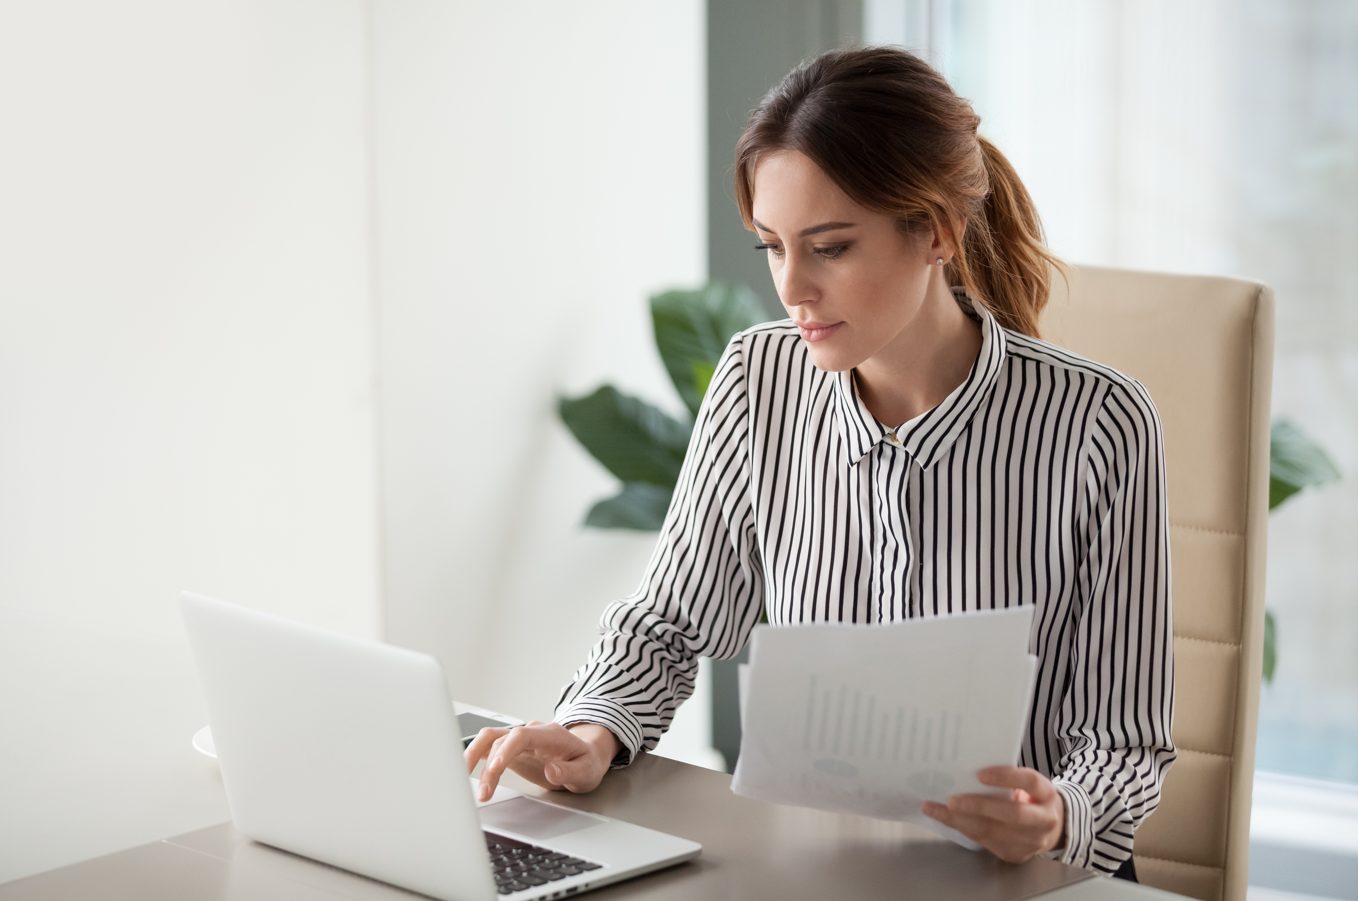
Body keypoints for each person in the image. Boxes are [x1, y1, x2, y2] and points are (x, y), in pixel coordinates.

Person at [465, 45, 1175, 883]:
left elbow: (1123, 741)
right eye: (772, 246)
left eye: (830, 247)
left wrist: (1058, 816)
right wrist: (594, 726)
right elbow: (669, 621)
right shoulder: (756, 379)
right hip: (808, 871)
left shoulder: (1100, 422)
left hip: (1019, 880)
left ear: (937, 231)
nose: (791, 287)